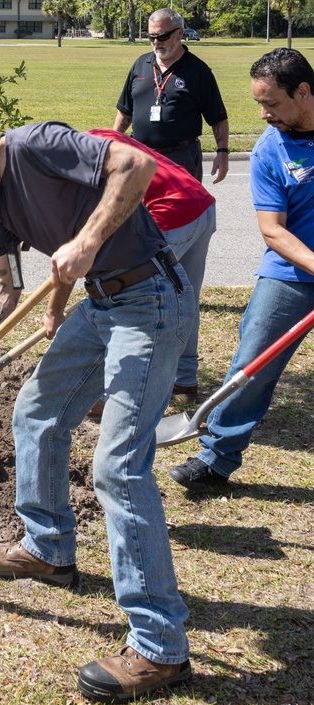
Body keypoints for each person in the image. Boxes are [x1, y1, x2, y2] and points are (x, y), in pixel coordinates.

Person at [0, 95, 194, 704]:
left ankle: (160, 647)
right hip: (101, 306)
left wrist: (88, 240)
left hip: (149, 302)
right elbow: (1, 287)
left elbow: (135, 167)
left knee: (118, 467)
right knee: (36, 412)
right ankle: (47, 549)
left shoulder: (38, 145)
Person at [169, 48, 314, 491]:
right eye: (259, 104)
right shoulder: (271, 148)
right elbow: (273, 231)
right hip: (291, 272)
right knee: (252, 361)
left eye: (272, 103)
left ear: (304, 92)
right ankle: (216, 458)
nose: (264, 113)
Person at [86, 128, 216, 411]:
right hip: (199, 203)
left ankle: (111, 393)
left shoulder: (74, 162)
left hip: (170, 215)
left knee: (130, 300)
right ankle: (184, 380)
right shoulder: (99, 134)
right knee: (186, 294)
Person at [114, 8, 229, 185]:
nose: (156, 42)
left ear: (180, 33)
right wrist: (113, 143)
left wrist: (222, 153)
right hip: (140, 156)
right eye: (151, 37)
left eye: (162, 36)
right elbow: (125, 111)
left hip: (181, 158)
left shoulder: (198, 71)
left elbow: (218, 118)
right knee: (140, 212)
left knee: (182, 212)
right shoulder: (140, 64)